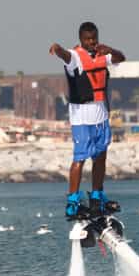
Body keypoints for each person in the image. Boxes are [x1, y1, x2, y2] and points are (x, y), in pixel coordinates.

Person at [48, 22, 127, 221]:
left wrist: (110, 49)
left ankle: (97, 198)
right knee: (80, 158)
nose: (91, 43)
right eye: (87, 39)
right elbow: (65, 56)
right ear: (81, 40)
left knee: (100, 157)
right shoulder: (75, 57)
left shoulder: (102, 54)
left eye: (94, 39)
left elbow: (121, 58)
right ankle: (73, 202)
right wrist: (57, 49)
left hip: (101, 114)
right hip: (81, 116)